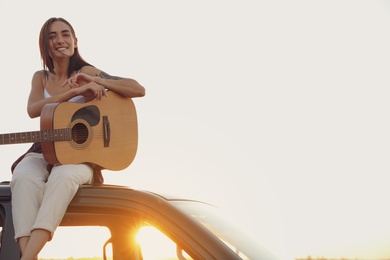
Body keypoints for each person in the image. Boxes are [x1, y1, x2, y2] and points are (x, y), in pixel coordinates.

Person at [9, 17, 145, 260]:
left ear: (75, 40)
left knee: (63, 177)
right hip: (44, 148)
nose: (60, 40)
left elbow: (138, 89)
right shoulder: (40, 77)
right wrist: (73, 92)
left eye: (65, 34)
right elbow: (33, 109)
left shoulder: (86, 71)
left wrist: (95, 81)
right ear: (45, 45)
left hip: (80, 157)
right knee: (23, 177)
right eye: (52, 36)